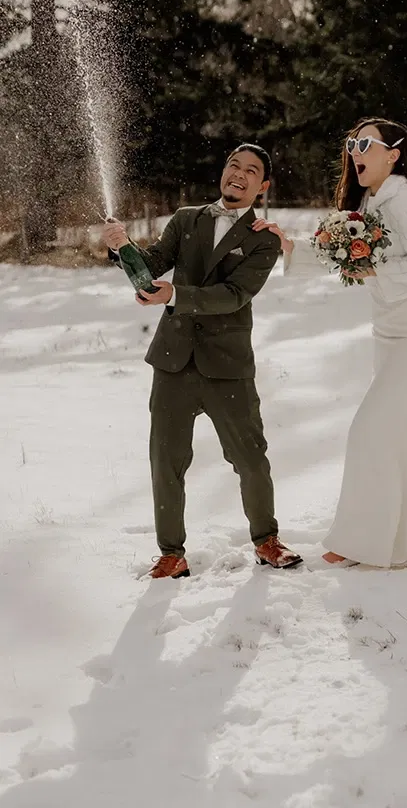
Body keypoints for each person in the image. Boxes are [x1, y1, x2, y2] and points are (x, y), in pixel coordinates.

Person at [254, 118, 407, 568]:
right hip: (387, 335)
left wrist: (374, 271)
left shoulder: (404, 199)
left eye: (365, 143)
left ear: (394, 153)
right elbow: (344, 254)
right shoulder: (371, 199)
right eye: (351, 143)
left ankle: (362, 542)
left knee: (369, 430)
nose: (354, 151)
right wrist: (289, 245)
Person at [103, 144, 302, 578]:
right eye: (234, 165)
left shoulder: (264, 238)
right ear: (223, 172)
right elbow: (152, 267)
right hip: (173, 361)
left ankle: (266, 540)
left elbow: (235, 296)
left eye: (251, 171)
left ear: (262, 186)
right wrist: (124, 250)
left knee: (251, 459)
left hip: (227, 366)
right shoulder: (186, 218)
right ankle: (171, 554)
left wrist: (174, 294)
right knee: (165, 461)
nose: (239, 174)